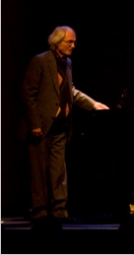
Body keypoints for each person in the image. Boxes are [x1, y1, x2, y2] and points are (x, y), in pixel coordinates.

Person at [21, 26, 109, 227]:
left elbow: (71, 91)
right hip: (41, 126)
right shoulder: (40, 61)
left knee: (58, 171)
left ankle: (59, 210)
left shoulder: (67, 63)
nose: (73, 45)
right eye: (69, 41)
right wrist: (34, 123)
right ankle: (40, 212)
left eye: (74, 41)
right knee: (39, 172)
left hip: (61, 126)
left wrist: (93, 104)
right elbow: (28, 94)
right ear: (57, 42)